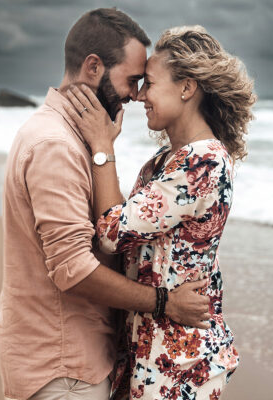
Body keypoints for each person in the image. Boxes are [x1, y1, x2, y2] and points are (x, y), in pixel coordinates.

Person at [0, 10, 212, 400]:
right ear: (93, 67)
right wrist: (167, 304)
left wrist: (103, 147)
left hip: (68, 358)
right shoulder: (55, 147)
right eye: (132, 80)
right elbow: (74, 270)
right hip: (63, 366)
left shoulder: (66, 137)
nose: (135, 94)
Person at [63, 26, 256, 399]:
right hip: (153, 349)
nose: (138, 96)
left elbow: (111, 233)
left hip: (181, 361)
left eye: (149, 83)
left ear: (186, 88)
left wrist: (102, 146)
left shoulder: (203, 163)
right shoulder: (167, 160)